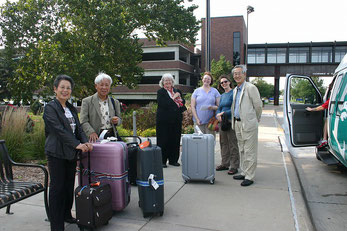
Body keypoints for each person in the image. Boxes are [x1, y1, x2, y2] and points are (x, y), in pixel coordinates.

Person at [43, 75, 93, 231]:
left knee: (68, 186)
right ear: (55, 89)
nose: (65, 90)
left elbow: (78, 129)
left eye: (68, 88)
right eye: (62, 87)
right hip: (56, 153)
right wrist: (77, 144)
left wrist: (85, 142)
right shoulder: (50, 108)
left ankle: (66, 215)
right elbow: (59, 131)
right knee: (57, 189)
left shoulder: (71, 108)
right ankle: (56, 224)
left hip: (71, 154)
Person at [231, 65, 262, 187]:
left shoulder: (251, 88)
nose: (237, 76)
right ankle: (244, 172)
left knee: (250, 151)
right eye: (235, 74)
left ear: (244, 74)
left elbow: (258, 106)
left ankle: (250, 176)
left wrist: (255, 119)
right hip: (238, 123)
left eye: (239, 73)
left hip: (248, 124)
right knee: (242, 149)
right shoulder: (235, 90)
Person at [80, 72, 122, 142]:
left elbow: (120, 119)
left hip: (111, 136)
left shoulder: (115, 102)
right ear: (96, 86)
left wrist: (117, 120)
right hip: (94, 137)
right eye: (101, 85)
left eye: (107, 85)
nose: (104, 87)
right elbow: (83, 121)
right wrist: (91, 132)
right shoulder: (87, 101)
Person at [156, 73, 186, 168]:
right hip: (164, 121)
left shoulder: (177, 91)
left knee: (175, 140)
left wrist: (180, 99)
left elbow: (182, 103)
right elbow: (163, 104)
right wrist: (173, 97)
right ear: (163, 82)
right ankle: (162, 161)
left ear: (172, 82)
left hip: (176, 120)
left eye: (170, 80)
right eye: (166, 80)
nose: (168, 82)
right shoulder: (161, 92)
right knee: (163, 140)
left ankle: (173, 160)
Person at [215, 75, 240, 174]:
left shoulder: (234, 93)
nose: (224, 83)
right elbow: (219, 107)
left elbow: (235, 108)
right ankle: (225, 163)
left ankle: (234, 166)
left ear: (229, 82)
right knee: (223, 143)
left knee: (232, 143)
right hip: (222, 122)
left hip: (231, 121)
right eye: (222, 83)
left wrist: (224, 113)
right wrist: (218, 114)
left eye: (225, 81)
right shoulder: (222, 95)